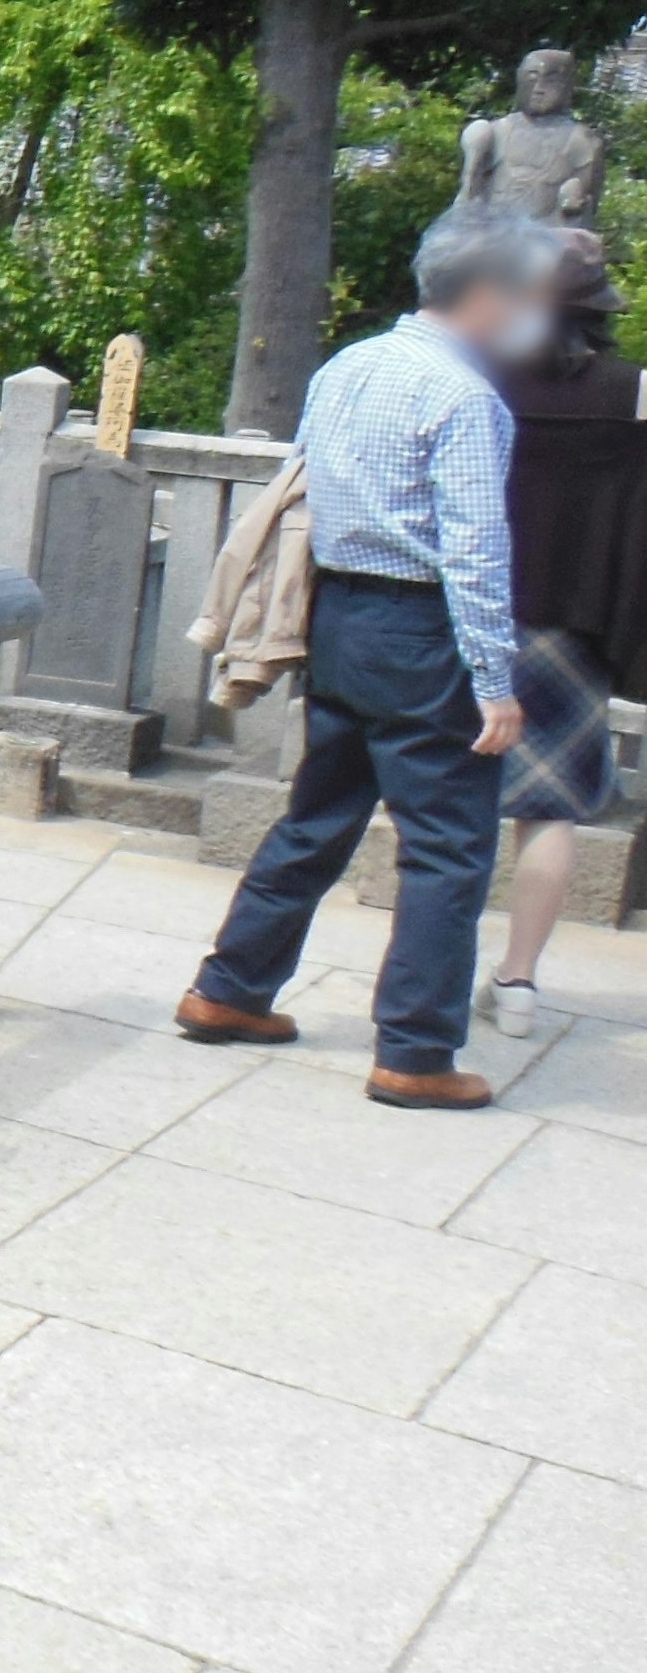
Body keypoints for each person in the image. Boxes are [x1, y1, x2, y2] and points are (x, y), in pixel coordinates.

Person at [177, 203, 573, 1109]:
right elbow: (474, 550)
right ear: (490, 294)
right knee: (447, 845)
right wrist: (495, 681)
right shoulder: (465, 395)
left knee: (318, 814)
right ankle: (417, 1050)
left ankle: (229, 988)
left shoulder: (348, 365)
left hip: (339, 613)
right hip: (424, 628)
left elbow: (308, 486)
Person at [481, 235, 647, 1034]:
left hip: (475, 613)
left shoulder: (481, 378)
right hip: (575, 624)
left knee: (445, 799)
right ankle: (518, 982)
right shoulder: (633, 392)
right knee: (549, 810)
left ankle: (425, 967)